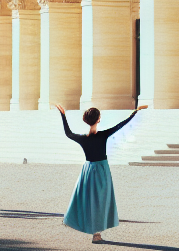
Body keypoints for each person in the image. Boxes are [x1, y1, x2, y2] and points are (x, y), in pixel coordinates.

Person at [56, 103, 145, 243]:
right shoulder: (103, 135)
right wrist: (135, 112)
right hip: (102, 170)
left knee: (88, 200)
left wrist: (63, 115)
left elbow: (68, 133)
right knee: (101, 201)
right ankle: (96, 234)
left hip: (88, 170)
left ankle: (90, 229)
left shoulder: (83, 138)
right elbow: (120, 125)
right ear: (98, 119)